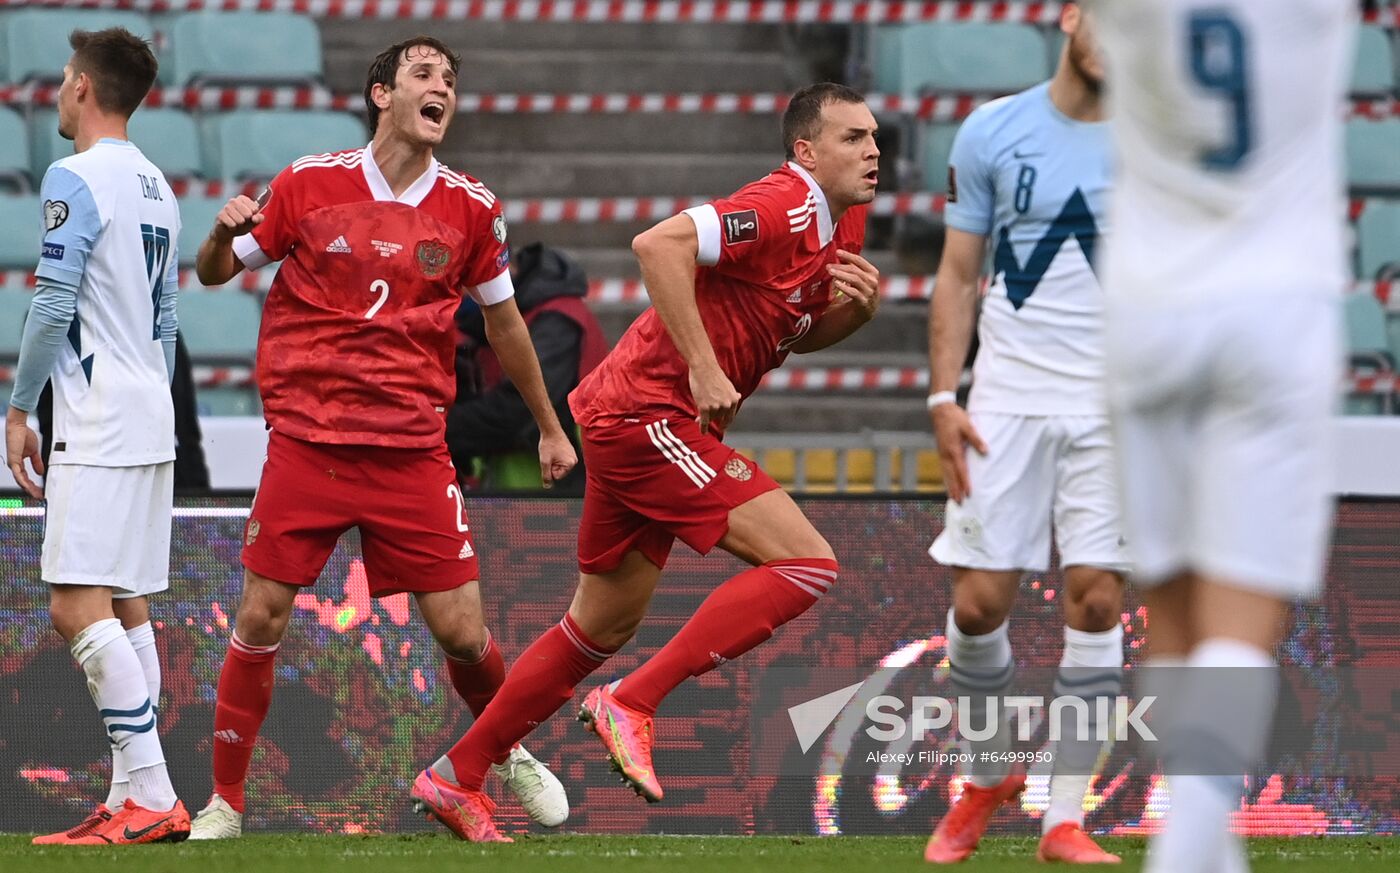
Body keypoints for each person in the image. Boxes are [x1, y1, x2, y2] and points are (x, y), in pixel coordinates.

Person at [406, 82, 883, 842]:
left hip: (633, 418)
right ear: (806, 151)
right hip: (647, 416)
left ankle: (457, 776)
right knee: (805, 564)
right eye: (853, 138)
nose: (873, 150)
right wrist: (702, 365)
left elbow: (792, 329)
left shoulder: (844, 217)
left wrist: (854, 317)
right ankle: (632, 700)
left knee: (596, 628)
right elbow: (658, 245)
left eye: (874, 136)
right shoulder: (783, 203)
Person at [188, 36, 575, 839]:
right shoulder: (308, 182)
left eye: (451, 80)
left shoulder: (472, 207)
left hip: (410, 448)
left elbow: (505, 323)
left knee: (463, 632)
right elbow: (215, 272)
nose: (442, 88)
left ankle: (505, 751)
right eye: (424, 74)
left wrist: (549, 424)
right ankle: (225, 800)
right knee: (260, 616)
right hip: (311, 441)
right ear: (381, 94)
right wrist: (222, 235)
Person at [1092, 1, 1352, 871]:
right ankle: (1193, 833)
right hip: (1278, 304)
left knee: (1172, 605)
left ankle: (1199, 840)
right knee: (1239, 620)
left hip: (1148, 303)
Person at [923, 4, 1126, 864]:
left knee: (1099, 598)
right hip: (1005, 397)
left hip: (1117, 403)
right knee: (978, 604)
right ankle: (985, 774)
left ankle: (1063, 820)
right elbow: (958, 271)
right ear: (1072, 17)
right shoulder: (992, 131)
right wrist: (944, 395)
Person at [5, 28, 189, 845]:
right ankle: (127, 797)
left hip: (99, 416)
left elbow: (53, 301)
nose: (56, 92)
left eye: (63, 79)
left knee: (76, 604)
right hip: (150, 409)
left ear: (82, 85)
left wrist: (20, 410)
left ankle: (153, 792)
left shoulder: (74, 175)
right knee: (124, 598)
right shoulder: (159, 186)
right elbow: (168, 319)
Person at [447, 241, 607, 494]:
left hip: (558, 489)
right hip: (515, 483)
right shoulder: (491, 320)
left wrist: (438, 428)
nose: (458, 292)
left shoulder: (556, 321)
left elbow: (518, 412)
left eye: (461, 280)